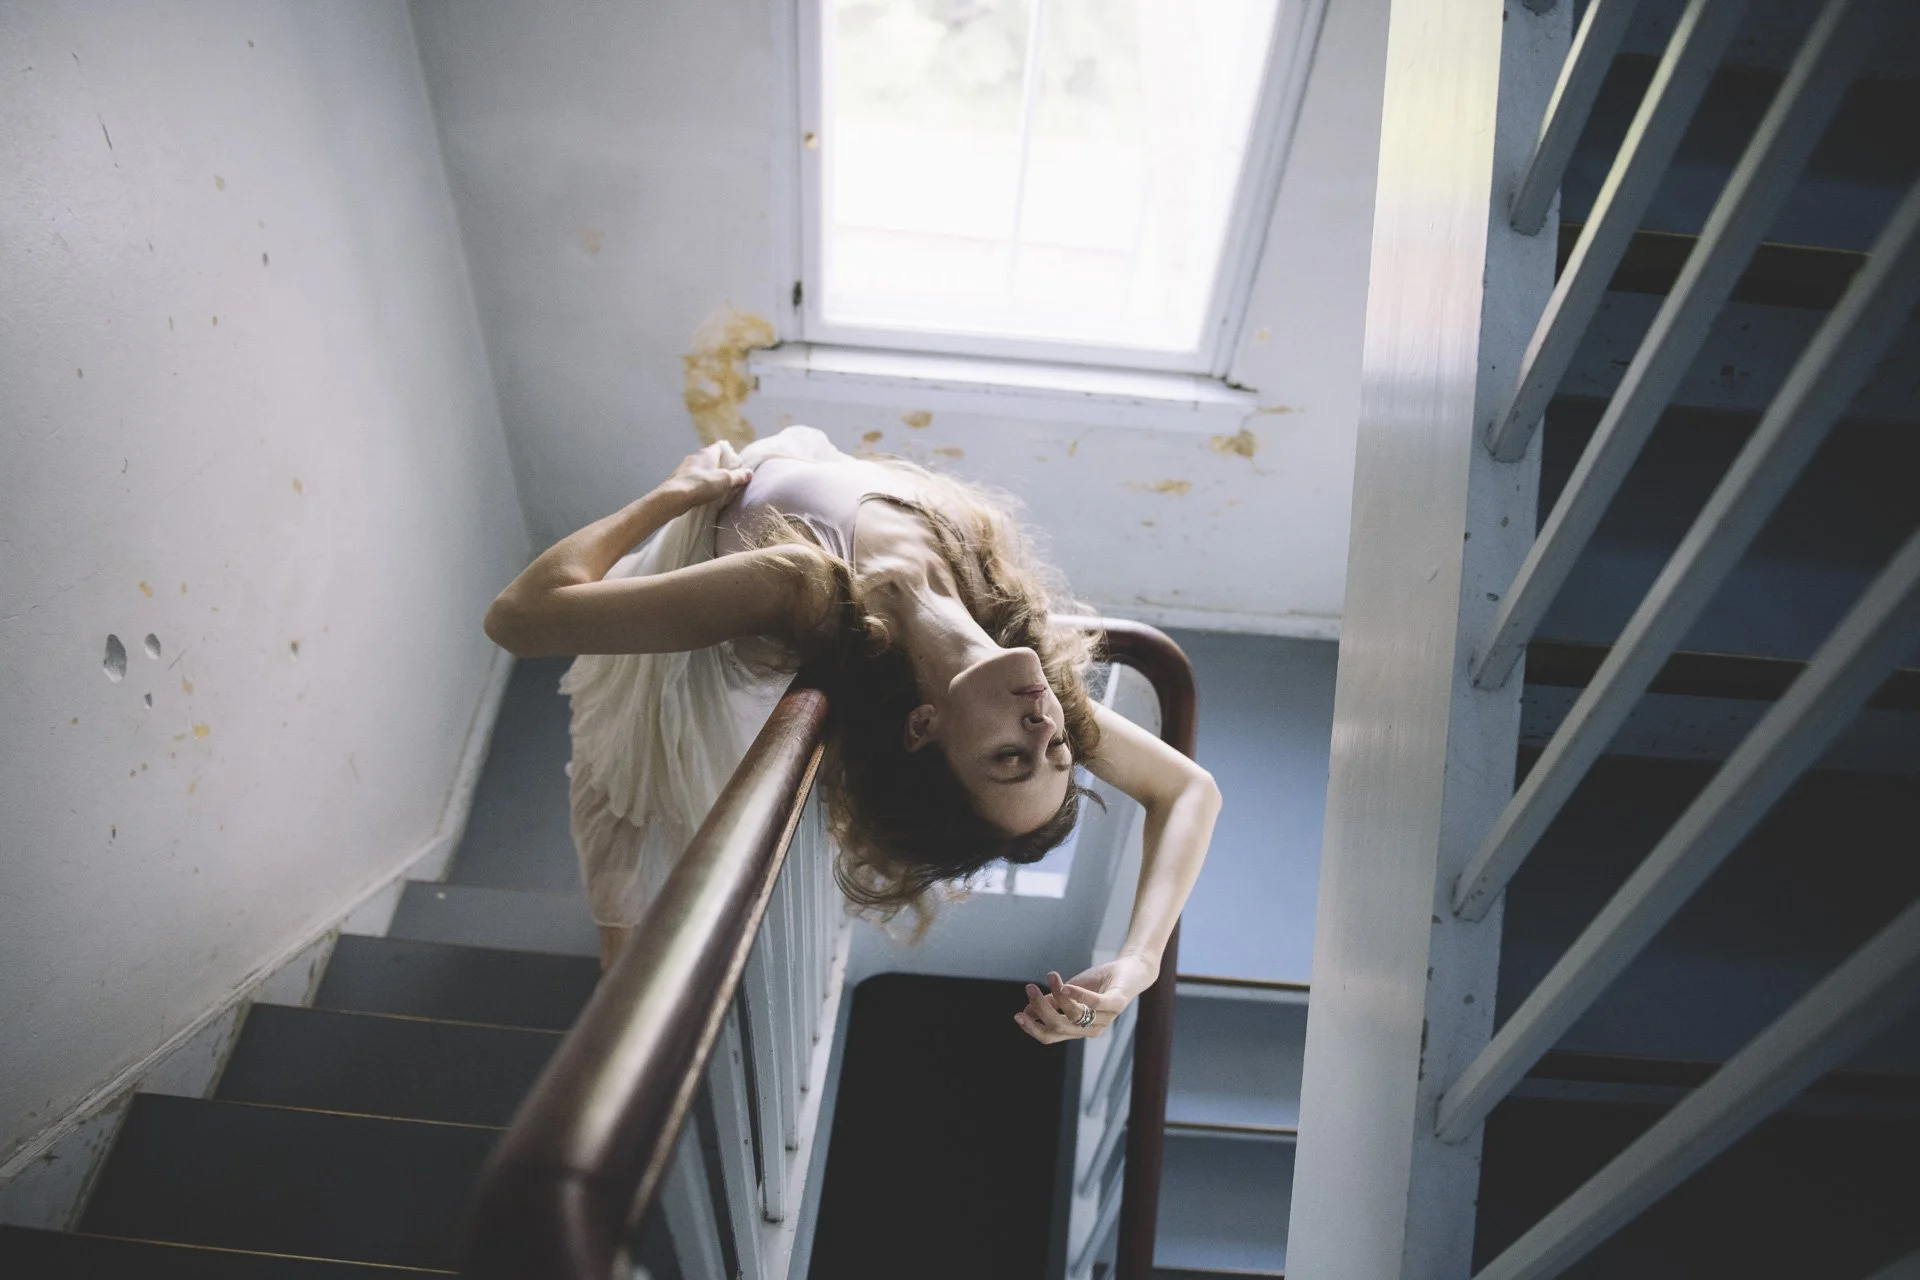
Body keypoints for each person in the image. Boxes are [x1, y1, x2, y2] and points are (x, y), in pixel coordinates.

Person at [484, 426, 1220, 1046]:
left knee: (640, 812)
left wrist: (670, 496)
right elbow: (1189, 788)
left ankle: (613, 1022)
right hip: (764, 498)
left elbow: (517, 618)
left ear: (925, 726)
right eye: (1058, 751)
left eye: (1008, 759)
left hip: (695, 558)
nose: (1044, 727)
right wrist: (1139, 963)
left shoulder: (798, 586)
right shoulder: (998, 615)